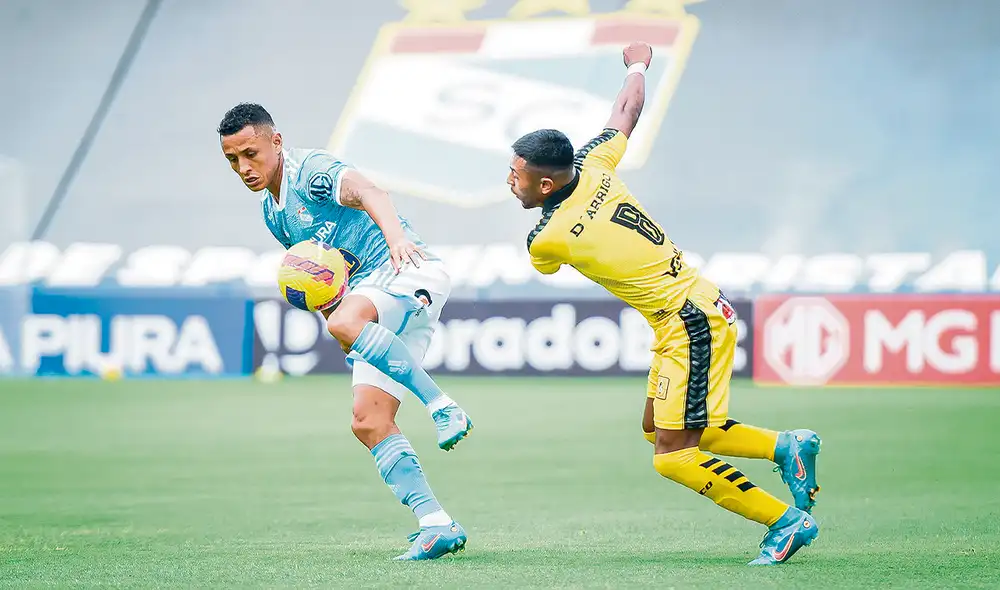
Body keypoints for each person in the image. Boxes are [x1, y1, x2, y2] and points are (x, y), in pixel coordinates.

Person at [507, 43, 822, 565]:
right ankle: (784, 446)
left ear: (544, 183)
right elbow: (626, 111)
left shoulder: (546, 239)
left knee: (673, 456)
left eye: (516, 173)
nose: (509, 180)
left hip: (688, 322)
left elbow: (554, 260)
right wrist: (637, 64)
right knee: (660, 425)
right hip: (693, 309)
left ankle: (785, 522)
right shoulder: (594, 162)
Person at [218, 103, 470, 560]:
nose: (244, 168)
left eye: (250, 153)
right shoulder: (273, 213)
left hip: (405, 270)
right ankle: (437, 524)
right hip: (372, 300)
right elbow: (323, 280)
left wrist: (396, 239)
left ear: (276, 141)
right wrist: (342, 327)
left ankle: (441, 405)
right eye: (233, 160)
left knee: (346, 322)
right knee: (368, 421)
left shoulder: (311, 171)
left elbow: (371, 192)